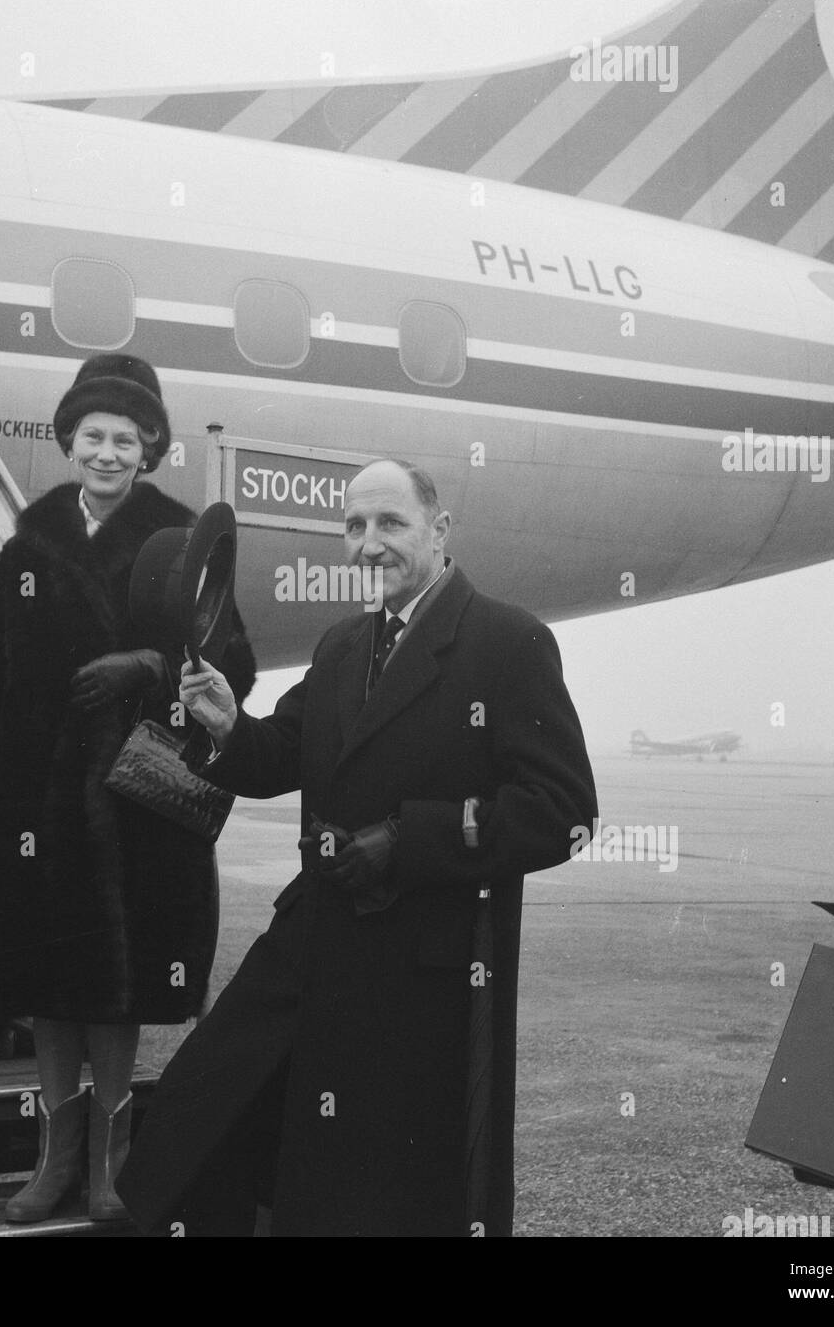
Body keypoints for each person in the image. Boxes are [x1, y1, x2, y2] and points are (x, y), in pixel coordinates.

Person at [116, 458, 597, 1236]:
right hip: (316, 936)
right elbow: (284, 755)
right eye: (354, 527)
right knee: (204, 1104)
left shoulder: (509, 641)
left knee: (384, 1181)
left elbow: (563, 811)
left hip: (424, 964)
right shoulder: (343, 643)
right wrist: (228, 725)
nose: (369, 544)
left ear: (439, 532)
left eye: (390, 524)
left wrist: (408, 840)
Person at [0, 354, 257, 1223]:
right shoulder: (29, 541)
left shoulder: (186, 538)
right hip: (34, 797)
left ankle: (110, 1162)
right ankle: (55, 1159)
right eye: (93, 436)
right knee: (44, 984)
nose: (108, 453)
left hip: (134, 798)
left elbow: (238, 663)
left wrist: (149, 664)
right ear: (69, 441)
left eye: (127, 439)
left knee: (117, 985)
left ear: (150, 447)